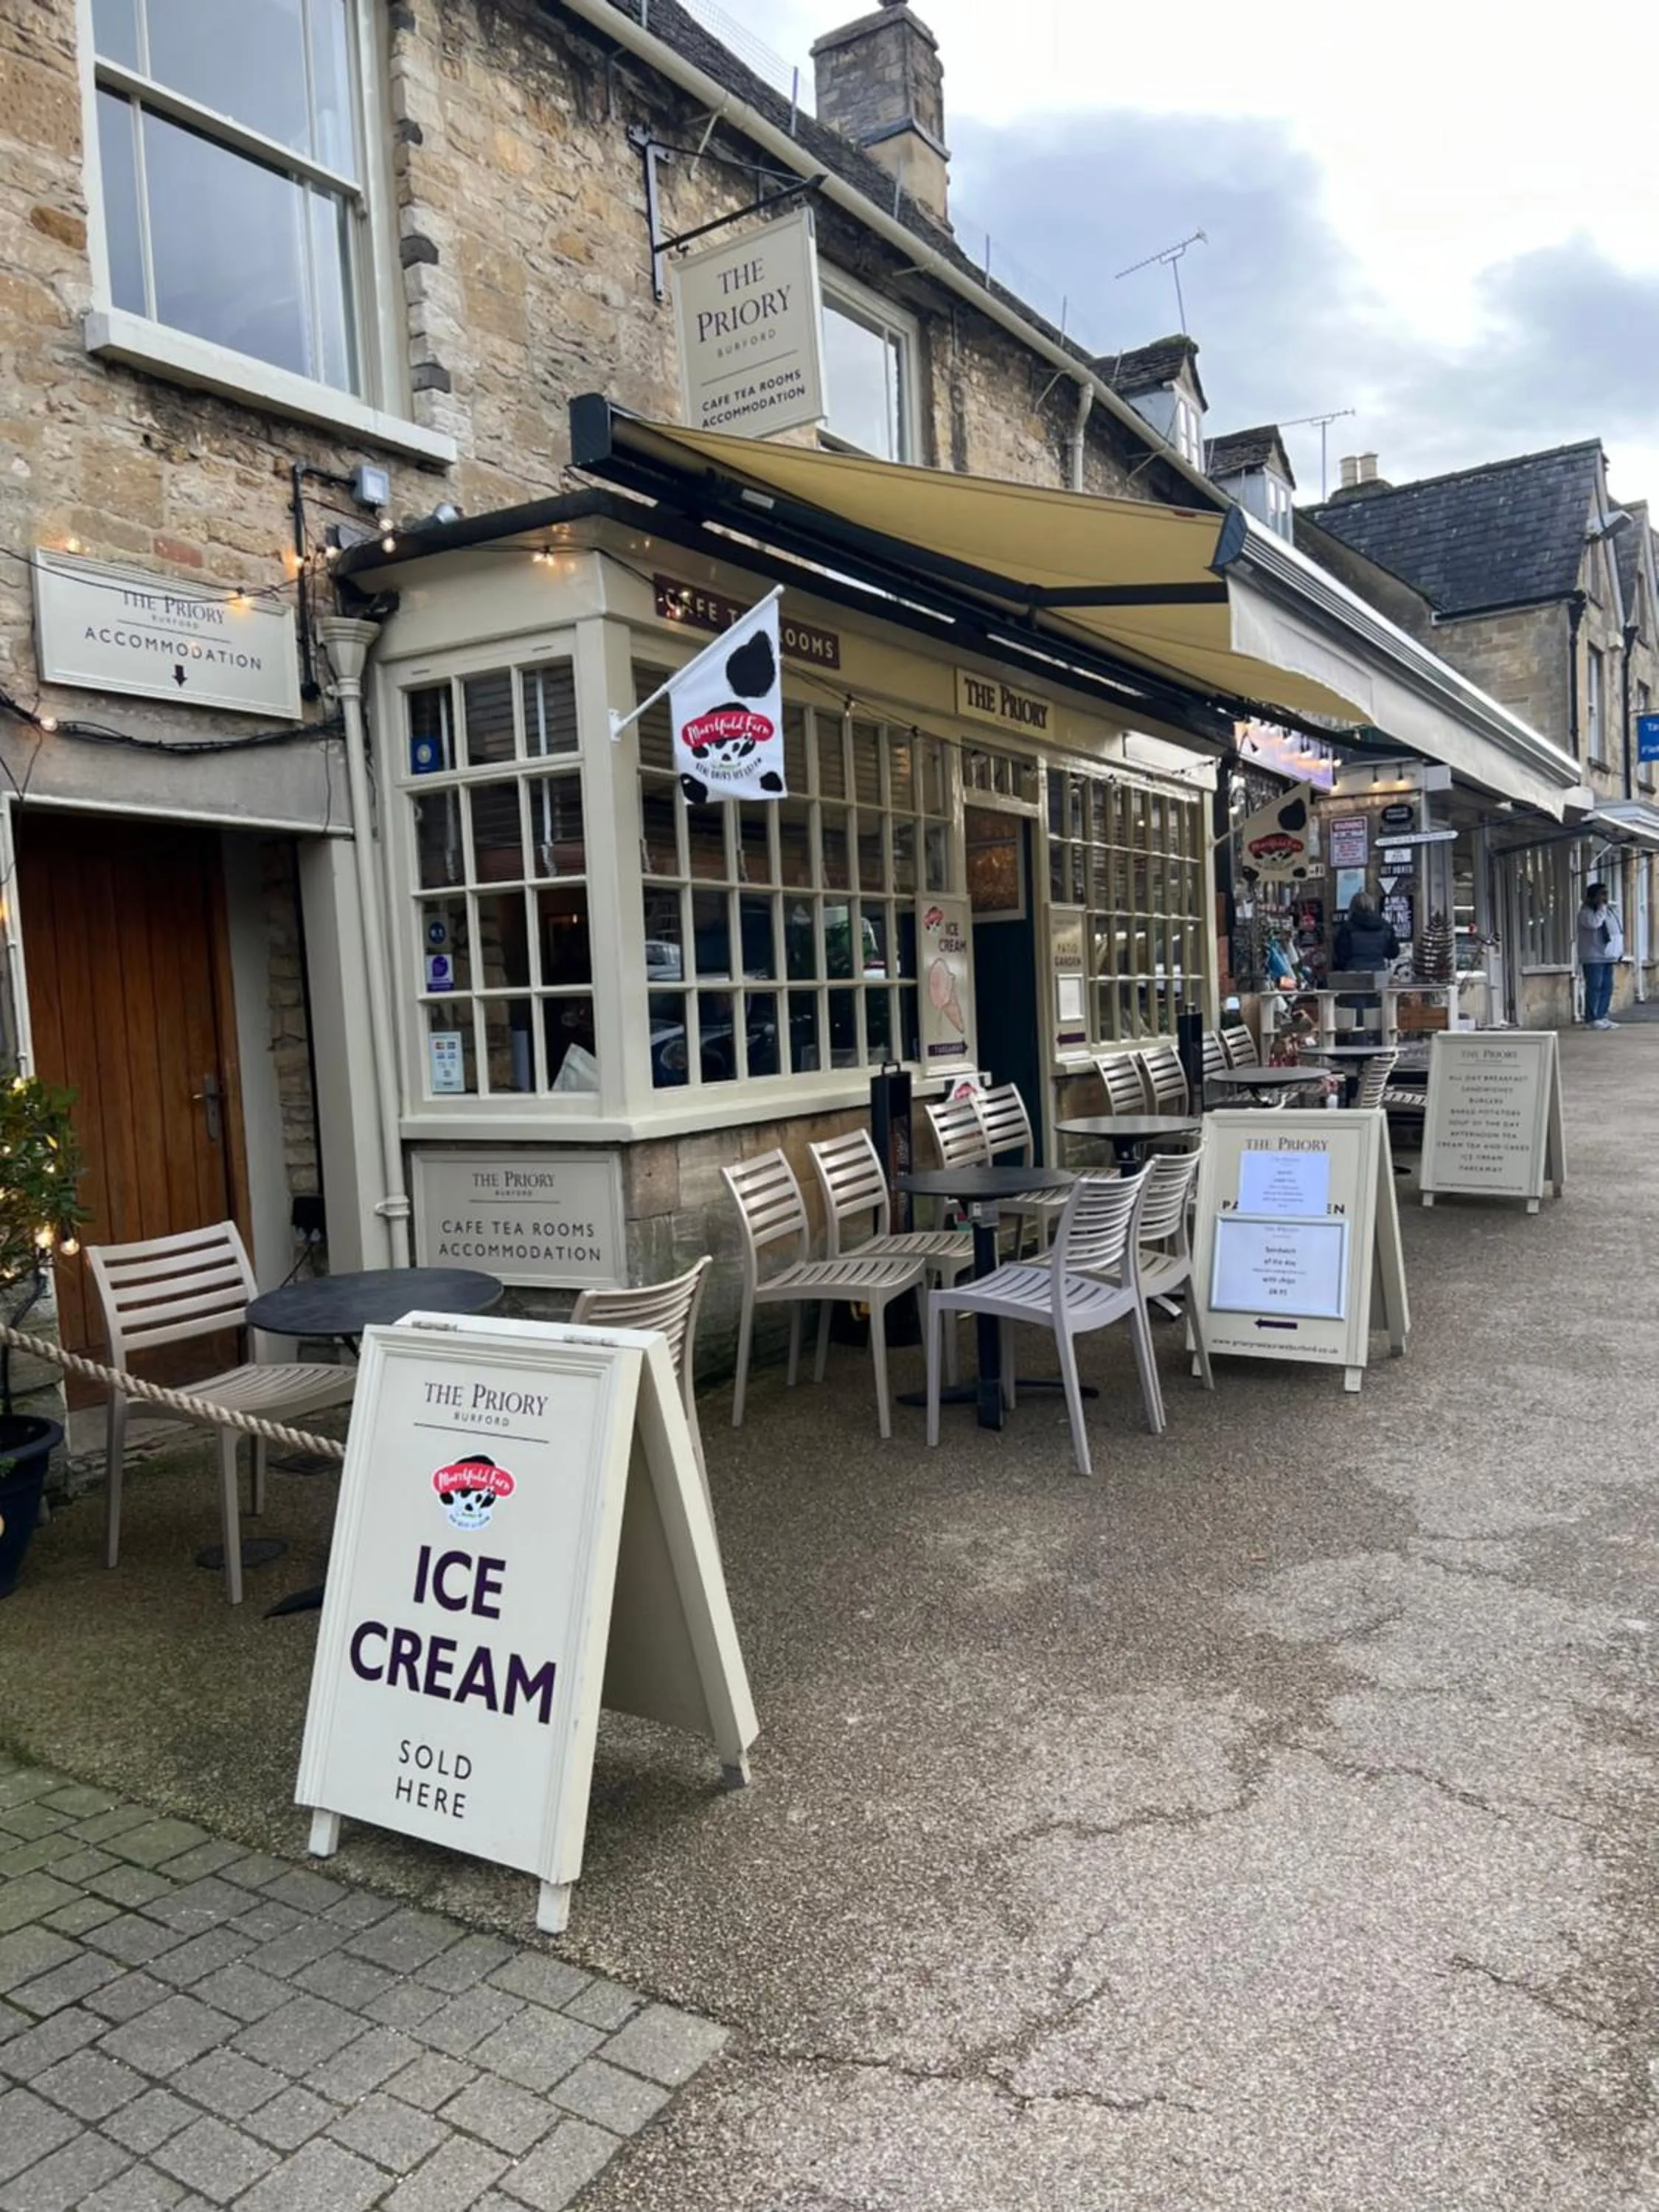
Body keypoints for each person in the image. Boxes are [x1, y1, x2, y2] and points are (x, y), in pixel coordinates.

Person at [1577, 880, 1624, 1029]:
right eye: (1602, 894)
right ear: (1592, 896)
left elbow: (1616, 931)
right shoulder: (1586, 912)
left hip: (1608, 956)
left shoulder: (1608, 911)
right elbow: (1594, 924)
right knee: (1594, 987)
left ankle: (1603, 1015)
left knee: (1607, 987)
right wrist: (1602, 908)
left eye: (1606, 894)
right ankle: (1592, 1018)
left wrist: (1618, 951)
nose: (1605, 898)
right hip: (1593, 956)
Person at [1334, 891, 1400, 973]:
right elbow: (1393, 953)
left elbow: (1341, 957)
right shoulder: (1386, 926)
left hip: (1353, 975)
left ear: (1352, 907)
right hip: (1378, 974)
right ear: (1372, 906)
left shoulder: (1346, 929)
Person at [1265, 925, 1299, 990]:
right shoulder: (1275, 947)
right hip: (1277, 980)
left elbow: (1294, 964)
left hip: (1279, 980)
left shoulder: (1275, 948)